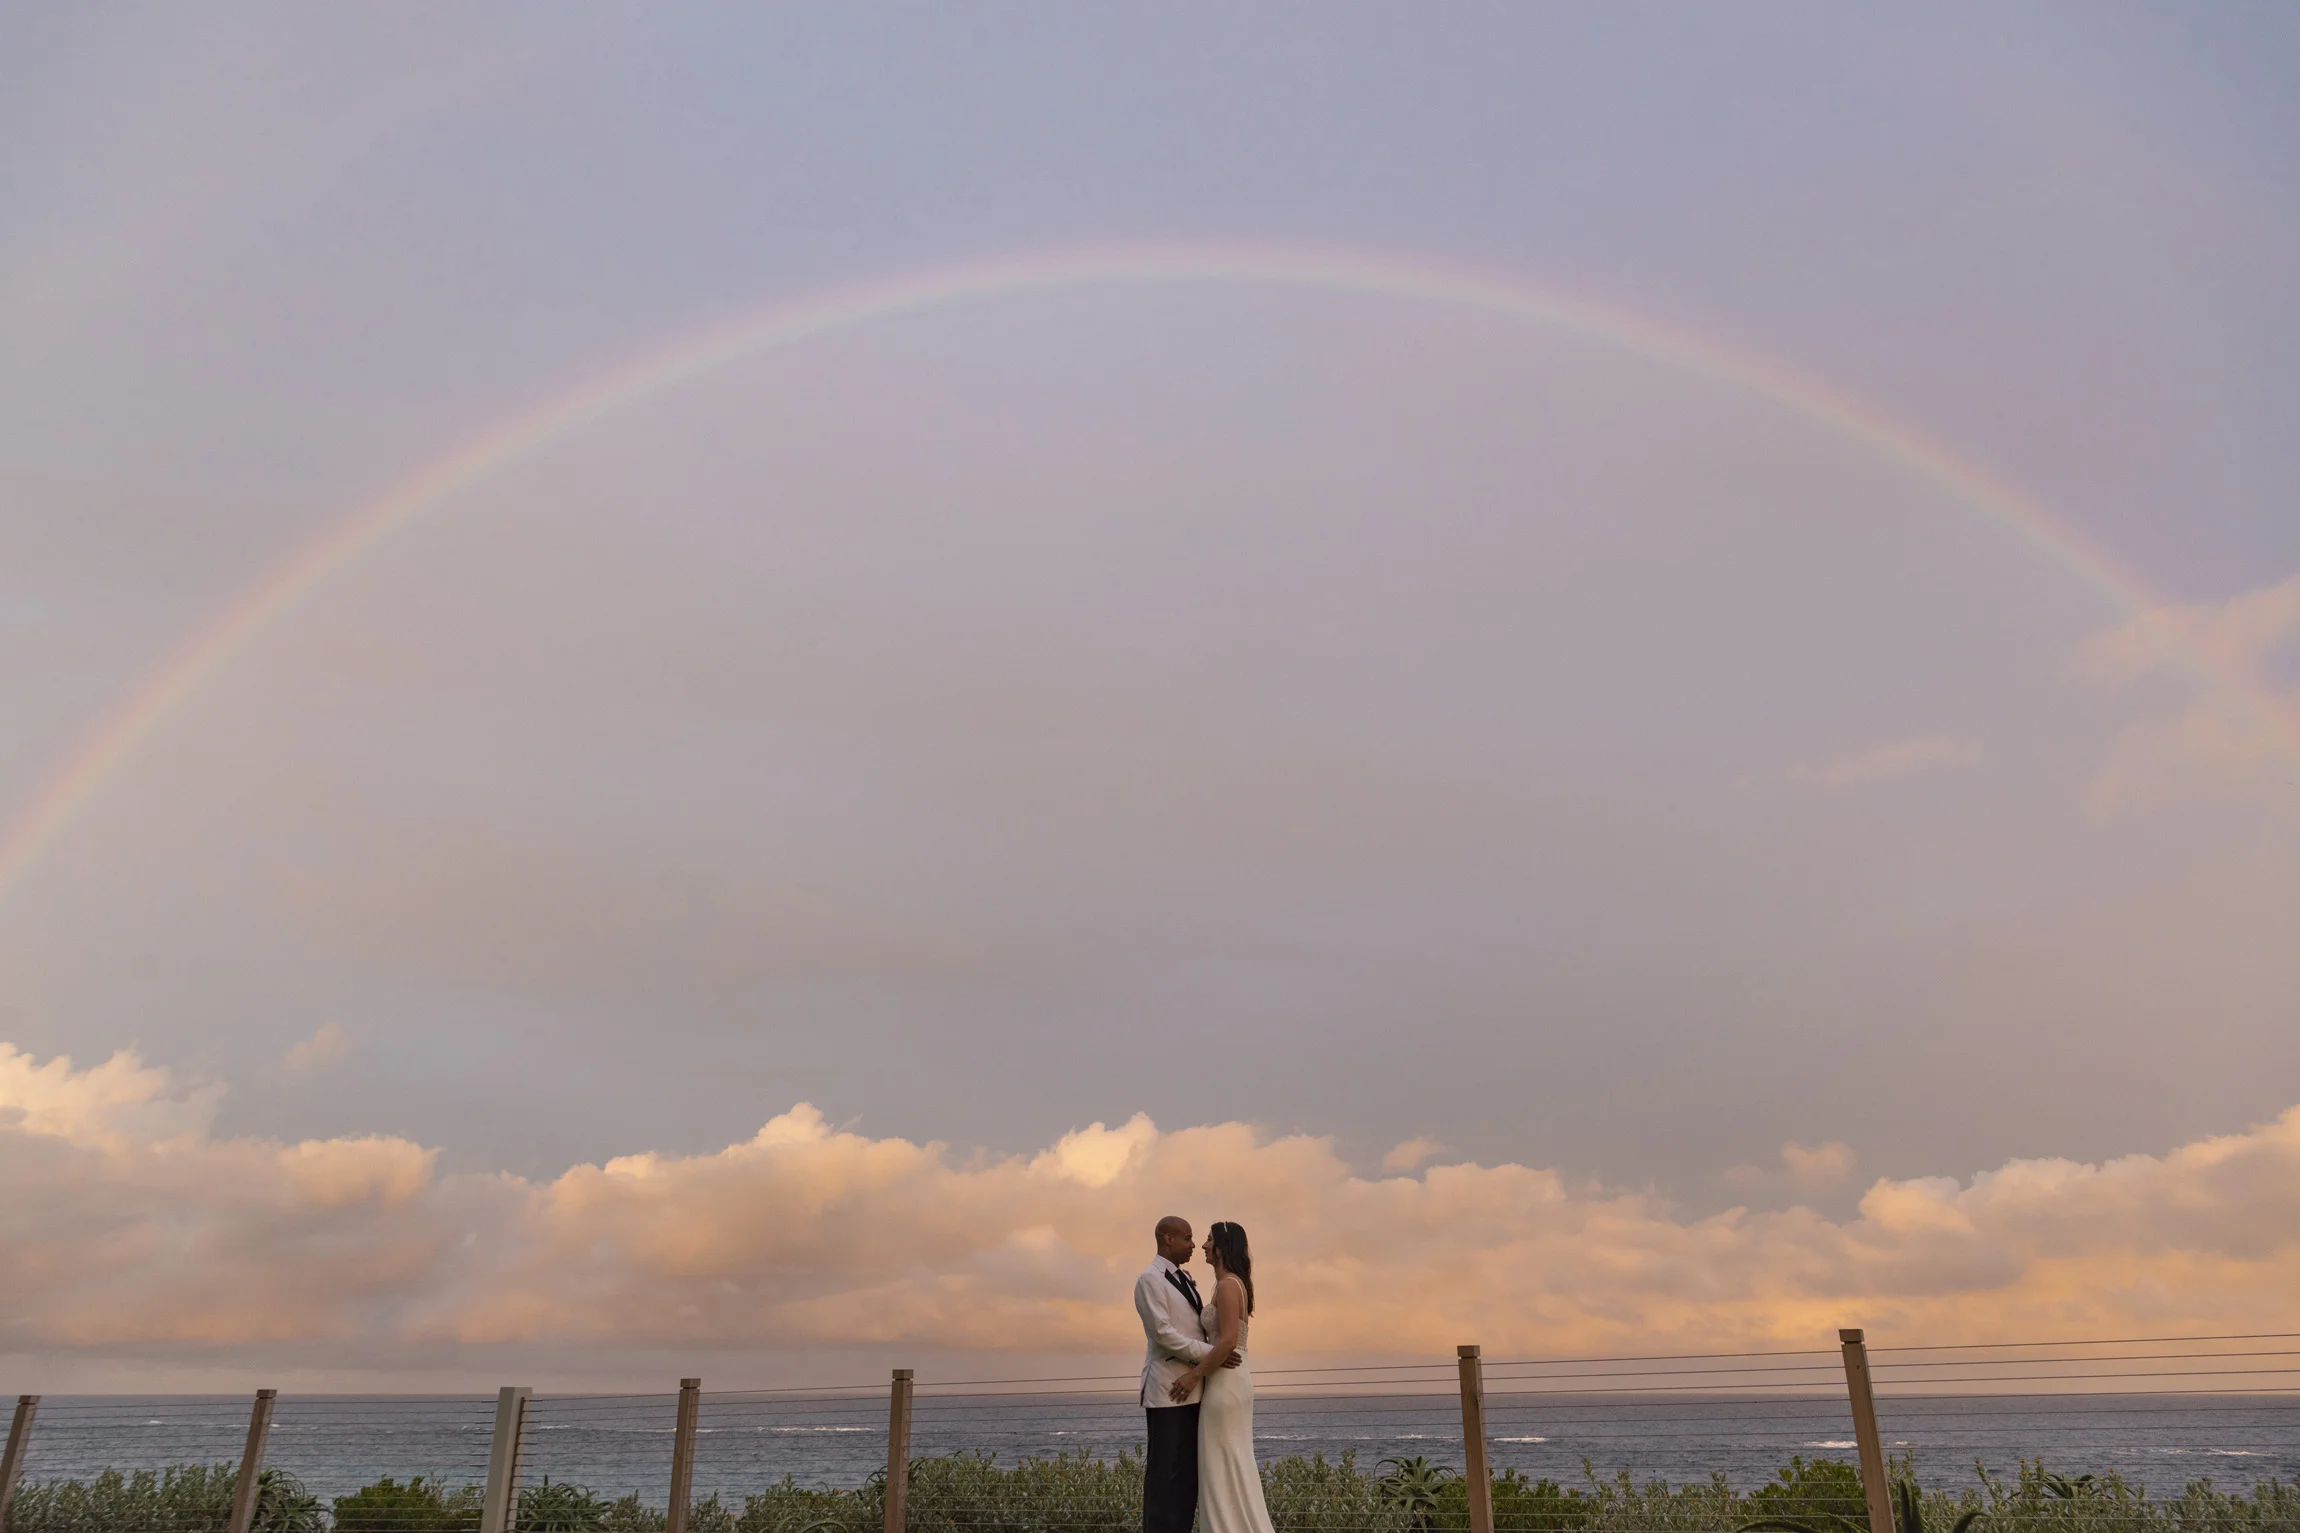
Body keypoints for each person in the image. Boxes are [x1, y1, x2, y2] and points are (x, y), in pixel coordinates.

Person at [1167, 1221, 1277, 1533]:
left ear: (1222, 1247)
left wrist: (1193, 1375)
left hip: (1225, 1381)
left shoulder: (1229, 1285)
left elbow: (1227, 1340)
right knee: (1229, 1460)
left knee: (1222, 1462)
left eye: (1208, 1239)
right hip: (1229, 1379)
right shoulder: (1229, 1283)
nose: (1202, 1245)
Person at [1135, 1216, 1212, 1533]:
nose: (1193, 1244)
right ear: (1168, 1239)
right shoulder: (1149, 1280)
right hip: (1168, 1390)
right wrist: (1211, 1354)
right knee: (1164, 1477)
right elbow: (1163, 1334)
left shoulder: (1182, 1277)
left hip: (1194, 1388)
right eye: (1188, 1238)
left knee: (1186, 1476)